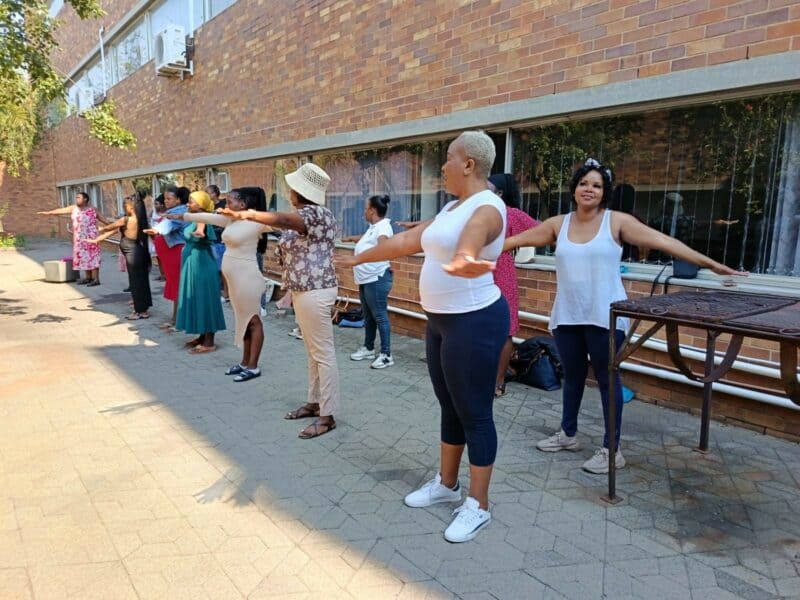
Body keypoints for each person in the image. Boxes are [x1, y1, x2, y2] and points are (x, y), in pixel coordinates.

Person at [496, 158, 747, 474]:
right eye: (585, 183)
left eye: (597, 185)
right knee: (572, 377)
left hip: (606, 316)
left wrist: (711, 264)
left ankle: (611, 450)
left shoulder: (616, 222)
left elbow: (663, 241)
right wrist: (473, 250)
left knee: (607, 380)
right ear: (575, 189)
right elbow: (512, 242)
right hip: (568, 315)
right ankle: (568, 434)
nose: (590, 189)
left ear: (605, 192)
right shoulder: (558, 224)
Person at [336, 131, 508, 543]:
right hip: (442, 322)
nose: (443, 166)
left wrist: (466, 258)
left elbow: (474, 236)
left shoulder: (488, 207)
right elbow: (406, 240)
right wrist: (356, 256)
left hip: (475, 321)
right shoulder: (451, 207)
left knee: (476, 413)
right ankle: (446, 485)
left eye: (448, 158)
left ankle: (478, 504)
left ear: (468, 164)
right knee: (449, 406)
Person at [220, 163, 340, 440]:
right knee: (313, 353)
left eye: (292, 187)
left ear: (300, 191)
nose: (289, 191)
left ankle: (328, 415)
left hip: (315, 290)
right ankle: (314, 402)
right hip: (305, 290)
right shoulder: (307, 214)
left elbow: (284, 222)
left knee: (323, 354)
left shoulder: (314, 213)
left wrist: (247, 213)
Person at [168, 187, 271, 380]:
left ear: (243, 204)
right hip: (234, 279)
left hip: (248, 277)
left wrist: (247, 214)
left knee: (253, 321)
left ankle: (254, 366)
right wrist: (176, 215)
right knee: (243, 322)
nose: (226, 204)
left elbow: (277, 222)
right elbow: (204, 217)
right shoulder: (231, 221)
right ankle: (244, 362)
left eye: (230, 201)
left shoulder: (256, 222)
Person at [486, 173, 539, 397]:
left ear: (500, 193)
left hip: (502, 273)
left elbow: (542, 231)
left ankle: (499, 380)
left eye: (487, 188)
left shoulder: (511, 214)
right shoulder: (476, 211)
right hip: (477, 272)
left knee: (505, 331)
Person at [341, 194, 395, 369]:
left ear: (372, 210)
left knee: (379, 316)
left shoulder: (383, 227)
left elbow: (383, 246)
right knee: (369, 316)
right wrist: (351, 239)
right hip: (366, 278)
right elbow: (368, 241)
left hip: (377, 278)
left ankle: (386, 355)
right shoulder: (374, 227)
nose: (364, 211)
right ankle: (369, 348)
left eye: (366, 208)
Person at [174, 191, 226, 353]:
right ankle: (202, 335)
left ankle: (209, 342)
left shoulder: (204, 218)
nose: (188, 204)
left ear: (201, 205)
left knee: (205, 300)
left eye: (191, 201)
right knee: (196, 299)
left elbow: (202, 228)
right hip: (193, 264)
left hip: (202, 265)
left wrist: (200, 232)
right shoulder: (195, 218)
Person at [89, 195, 152, 319]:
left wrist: (100, 228)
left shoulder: (127, 219)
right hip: (138, 252)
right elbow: (112, 231)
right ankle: (143, 310)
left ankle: (137, 311)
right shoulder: (141, 219)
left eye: (125, 204)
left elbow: (110, 227)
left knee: (135, 282)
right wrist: (97, 239)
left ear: (133, 207)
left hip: (133, 253)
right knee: (141, 281)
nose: (123, 206)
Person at [38, 191, 106, 286]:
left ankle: (96, 279)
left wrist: (114, 225)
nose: (76, 199)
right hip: (79, 239)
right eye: (76, 198)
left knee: (93, 257)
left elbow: (104, 219)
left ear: (85, 199)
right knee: (83, 257)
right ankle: (88, 278)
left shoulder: (93, 209)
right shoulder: (74, 208)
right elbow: (61, 210)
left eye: (78, 197)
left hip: (91, 238)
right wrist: (48, 213)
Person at [144, 186, 189, 330]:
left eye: (169, 198)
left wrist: (155, 230)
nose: (166, 201)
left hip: (176, 253)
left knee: (178, 287)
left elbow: (169, 225)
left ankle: (178, 320)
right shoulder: (173, 211)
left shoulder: (180, 212)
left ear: (179, 199)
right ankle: (176, 319)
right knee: (177, 286)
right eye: (165, 198)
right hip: (171, 254)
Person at [207, 184, 229, 302]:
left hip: (220, 240)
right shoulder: (208, 206)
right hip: (212, 239)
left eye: (208, 192)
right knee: (215, 268)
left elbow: (226, 222)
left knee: (223, 268)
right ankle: (218, 291)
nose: (207, 195)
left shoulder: (222, 205)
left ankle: (226, 293)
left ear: (215, 193)